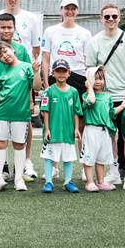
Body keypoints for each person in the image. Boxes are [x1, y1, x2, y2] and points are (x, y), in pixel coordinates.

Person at [0, 0, 42, 180]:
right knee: (1, 129)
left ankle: (26, 163)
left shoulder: (31, 19)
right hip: (2, 80)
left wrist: (31, 95)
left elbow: (35, 50)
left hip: (23, 79)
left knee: (25, 123)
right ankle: (0, 166)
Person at [85, 4, 125, 190]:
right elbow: (90, 71)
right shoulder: (93, 42)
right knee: (110, 136)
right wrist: (93, 92)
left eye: (114, 16)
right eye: (107, 16)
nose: (110, 19)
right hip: (103, 97)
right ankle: (114, 172)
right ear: (101, 18)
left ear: (119, 18)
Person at [0, 13, 31, 180]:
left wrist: (30, 100)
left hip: (19, 104)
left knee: (21, 136)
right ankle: (0, 167)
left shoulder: (21, 50)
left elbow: (29, 78)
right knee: (0, 138)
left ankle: (23, 167)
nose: (6, 30)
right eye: (3, 27)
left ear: (15, 28)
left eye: (9, 27)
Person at [0, 41, 39, 192]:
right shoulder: (2, 74)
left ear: (12, 49)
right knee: (0, 145)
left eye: (5, 51)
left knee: (19, 145)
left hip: (21, 115)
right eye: (0, 55)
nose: (5, 55)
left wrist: (36, 72)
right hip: (2, 115)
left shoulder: (27, 67)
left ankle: (18, 179)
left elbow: (36, 87)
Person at [36, 59, 83, 193]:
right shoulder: (49, 91)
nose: (61, 74)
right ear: (53, 73)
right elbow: (45, 110)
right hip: (53, 131)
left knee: (68, 157)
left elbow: (76, 111)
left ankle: (68, 182)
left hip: (67, 131)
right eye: (58, 71)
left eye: (64, 71)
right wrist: (47, 129)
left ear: (69, 73)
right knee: (49, 157)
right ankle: (49, 182)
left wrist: (76, 128)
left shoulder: (73, 92)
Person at [81, 67, 125, 192]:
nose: (98, 81)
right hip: (91, 130)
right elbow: (92, 101)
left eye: (101, 79)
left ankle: (101, 181)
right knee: (89, 158)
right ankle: (90, 182)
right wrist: (89, 87)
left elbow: (111, 114)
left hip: (104, 131)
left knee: (101, 159)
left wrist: (123, 106)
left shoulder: (107, 96)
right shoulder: (86, 95)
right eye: (95, 79)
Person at [41, 0, 92, 92]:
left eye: (73, 9)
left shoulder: (85, 33)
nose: (70, 12)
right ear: (61, 10)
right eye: (67, 8)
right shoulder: (50, 31)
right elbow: (45, 59)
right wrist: (46, 83)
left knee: (78, 106)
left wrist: (89, 84)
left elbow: (88, 61)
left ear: (77, 11)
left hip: (78, 76)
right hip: (56, 76)